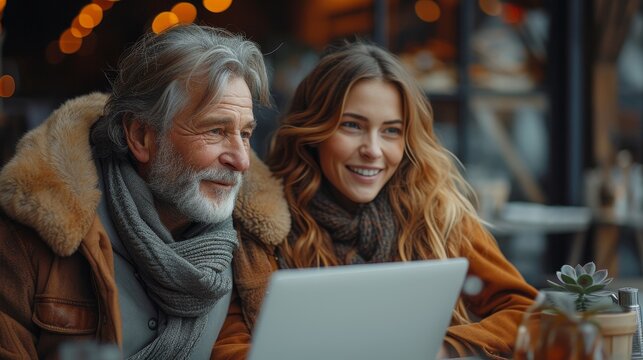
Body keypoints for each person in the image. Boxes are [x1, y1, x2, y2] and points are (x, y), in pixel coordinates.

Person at [213, 41, 538, 359]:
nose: (373, 150)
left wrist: (445, 348)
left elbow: (531, 312)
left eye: (391, 131)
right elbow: (229, 345)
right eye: (352, 125)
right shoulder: (265, 220)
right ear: (315, 131)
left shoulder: (436, 213)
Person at [0, 24, 285, 359]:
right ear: (140, 137)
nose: (241, 160)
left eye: (246, 133)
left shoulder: (250, 245)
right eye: (216, 130)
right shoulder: (32, 234)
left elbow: (236, 348)